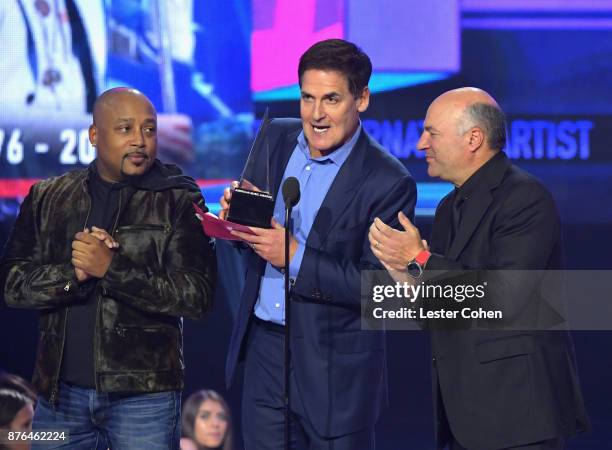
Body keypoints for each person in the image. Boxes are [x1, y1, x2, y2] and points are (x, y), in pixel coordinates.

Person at [221, 39, 416, 449]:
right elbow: (254, 238)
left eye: (331, 99)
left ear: (361, 98)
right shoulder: (275, 138)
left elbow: (377, 288)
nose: (315, 115)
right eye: (307, 98)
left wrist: (293, 255)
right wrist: (237, 220)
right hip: (266, 354)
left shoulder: (388, 181)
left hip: (335, 370)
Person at [369, 87, 590, 449]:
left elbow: (503, 299)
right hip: (462, 414)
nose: (421, 143)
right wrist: (407, 279)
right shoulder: (445, 208)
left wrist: (420, 261)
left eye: (432, 133)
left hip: (517, 416)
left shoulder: (525, 198)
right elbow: (448, 308)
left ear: (473, 138)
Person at [0, 87, 216, 449]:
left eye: (149, 130)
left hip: (145, 400)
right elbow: (11, 286)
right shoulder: (48, 197)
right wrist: (74, 274)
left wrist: (112, 269)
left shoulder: (177, 198)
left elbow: (197, 296)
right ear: (95, 135)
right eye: (125, 129)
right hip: (58, 400)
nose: (140, 141)